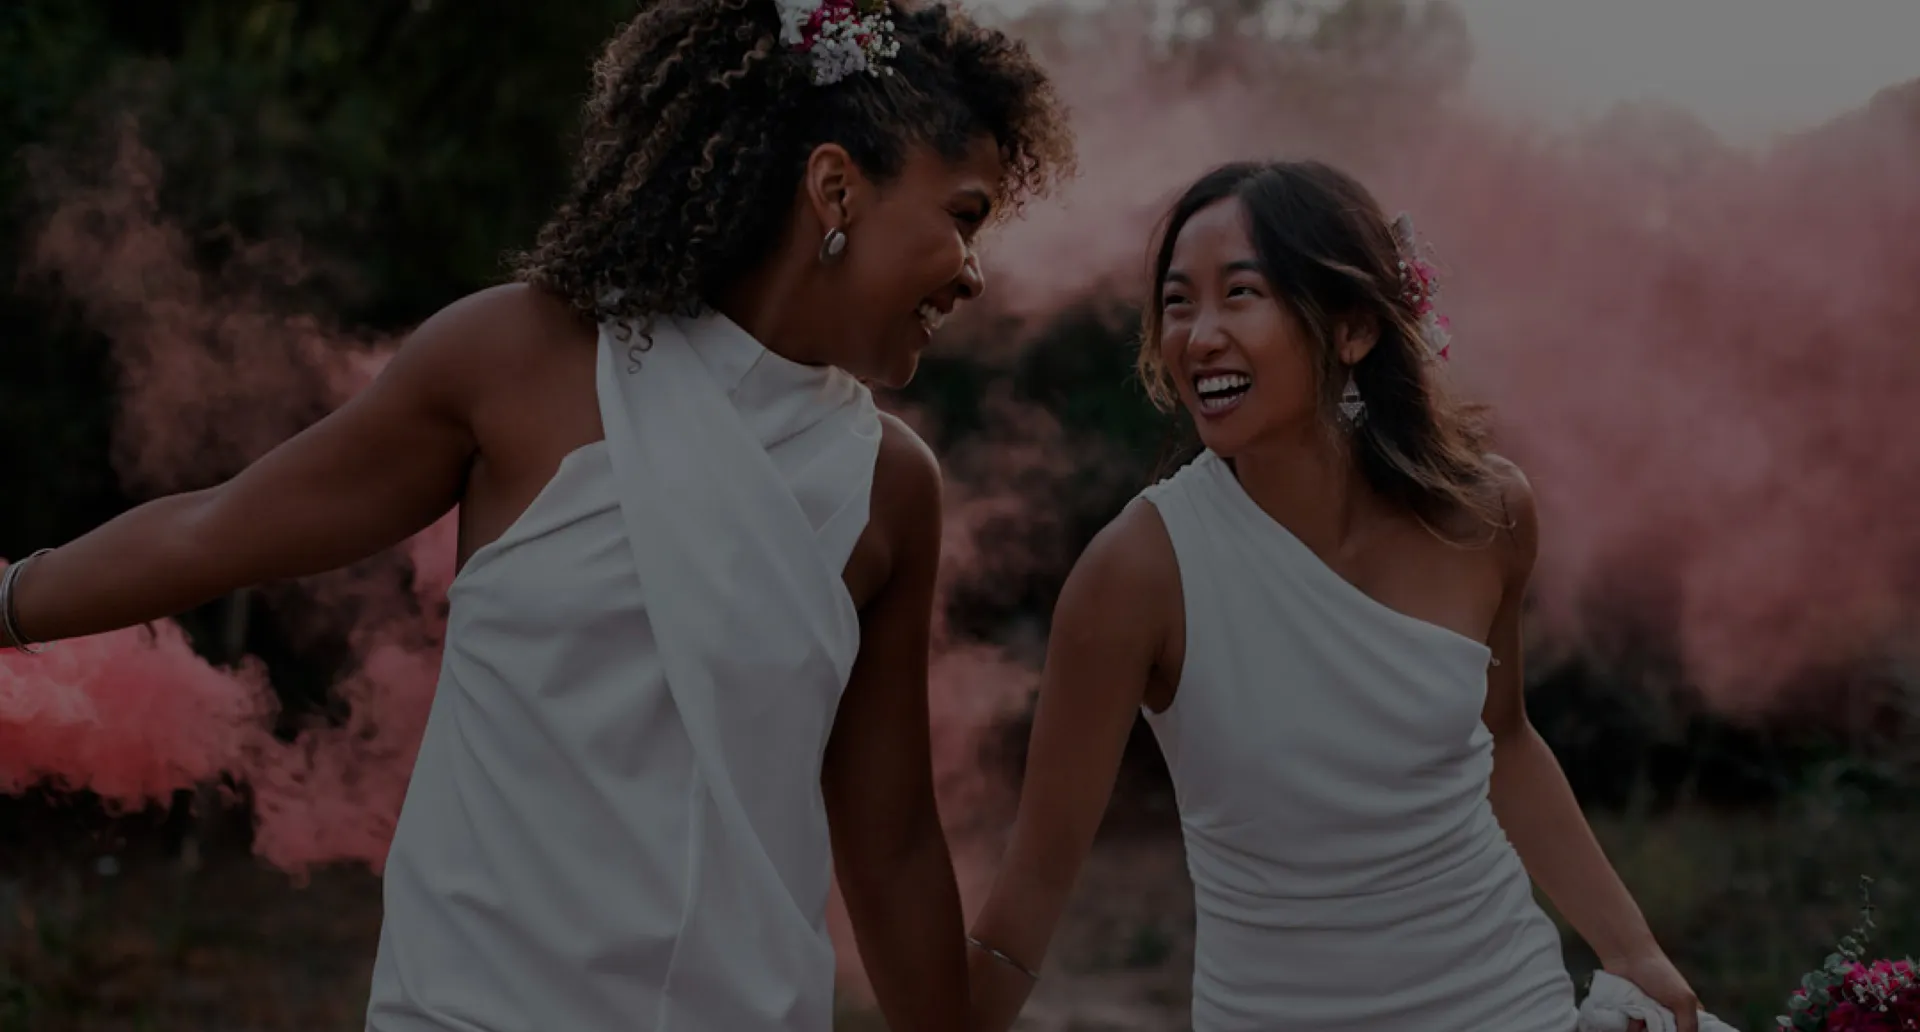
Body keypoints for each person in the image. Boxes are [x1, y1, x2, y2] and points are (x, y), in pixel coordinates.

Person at [0, 0, 1074, 1028]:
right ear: (836, 188)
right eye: (964, 216)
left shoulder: (891, 484)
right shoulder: (519, 359)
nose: (974, 273)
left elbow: (887, 848)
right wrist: (4, 602)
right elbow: (215, 532)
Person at [961, 161, 1701, 1032]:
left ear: (1352, 329)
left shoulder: (1484, 513)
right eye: (1176, 303)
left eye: (1241, 293)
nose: (1198, 336)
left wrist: (1632, 949)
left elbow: (1504, 738)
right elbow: (1038, 879)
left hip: (1509, 1002)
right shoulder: (1136, 573)